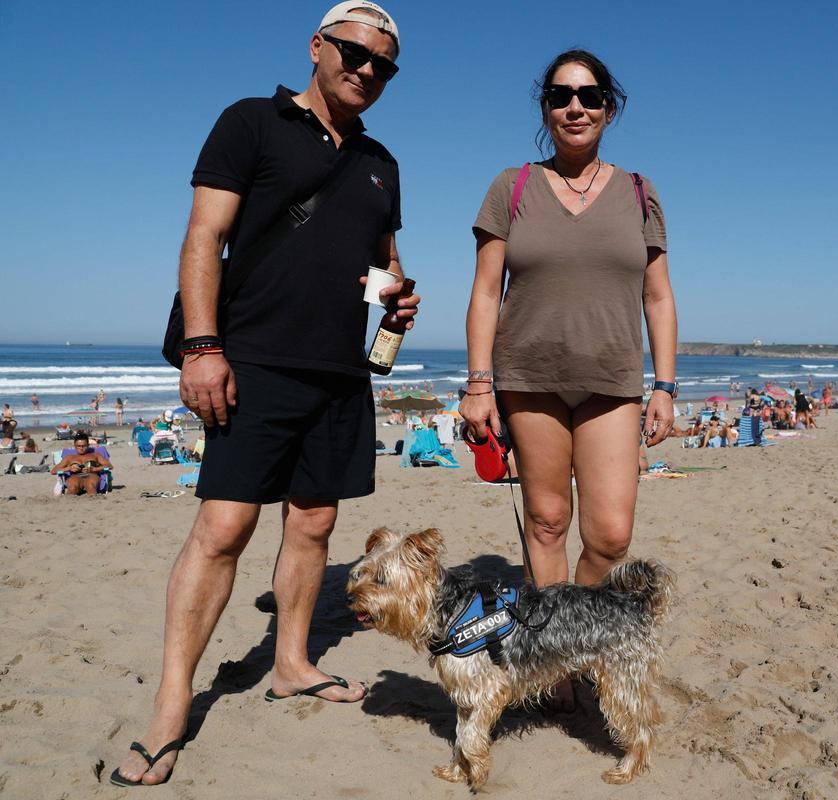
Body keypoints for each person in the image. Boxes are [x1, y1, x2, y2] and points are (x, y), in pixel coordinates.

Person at [111, 3, 419, 788]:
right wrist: (203, 346)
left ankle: (290, 661)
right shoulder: (250, 122)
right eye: (353, 52)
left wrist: (397, 299)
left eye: (383, 63)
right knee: (222, 527)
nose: (366, 70)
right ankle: (171, 708)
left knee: (314, 522)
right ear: (318, 47)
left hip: (339, 371)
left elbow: (382, 260)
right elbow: (201, 239)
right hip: (253, 360)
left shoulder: (381, 161)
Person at [460, 48, 677, 712]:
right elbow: (486, 293)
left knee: (609, 535)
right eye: (560, 96)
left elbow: (659, 298)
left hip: (613, 382)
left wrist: (665, 385)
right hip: (530, 378)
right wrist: (478, 383)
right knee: (548, 522)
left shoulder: (639, 191)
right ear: (546, 108)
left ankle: (570, 634)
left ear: (609, 108)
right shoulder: (512, 186)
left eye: (588, 96)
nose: (574, 106)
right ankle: (554, 663)